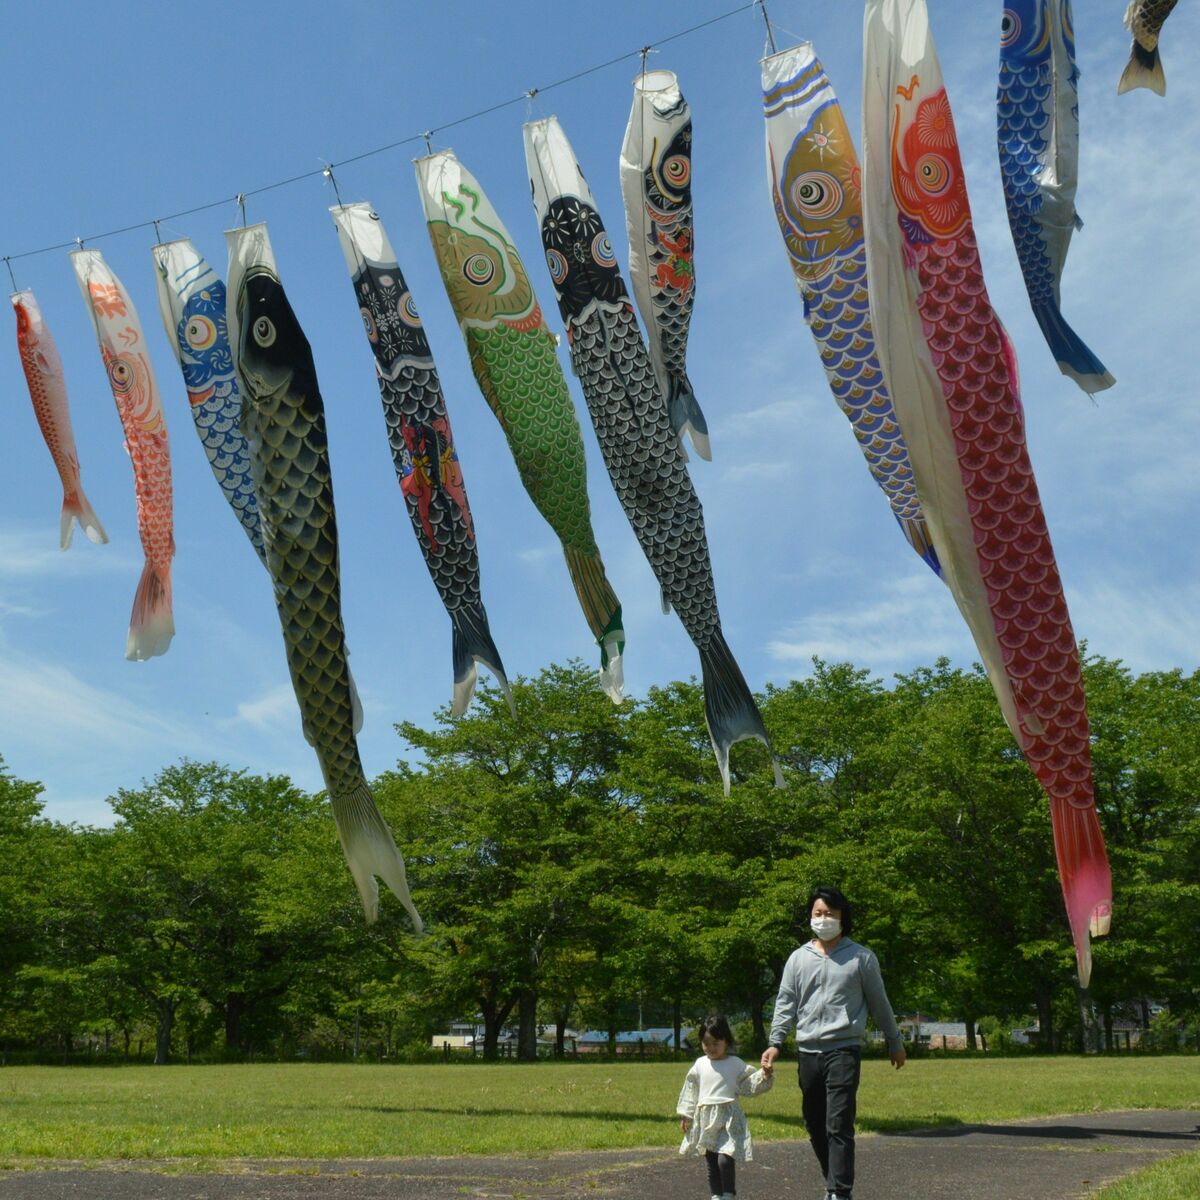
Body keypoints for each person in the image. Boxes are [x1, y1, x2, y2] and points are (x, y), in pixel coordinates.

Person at [761, 886, 906, 1200]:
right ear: (810, 917)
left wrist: (894, 1041)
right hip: (808, 1051)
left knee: (838, 1122)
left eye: (830, 913)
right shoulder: (798, 959)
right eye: (818, 913)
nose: (823, 919)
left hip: (844, 1050)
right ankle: (834, 1181)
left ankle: (839, 1191)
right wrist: (775, 1042)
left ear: (843, 917)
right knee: (815, 1123)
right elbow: (785, 1002)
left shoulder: (861, 958)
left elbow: (879, 1003)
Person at [677, 1014, 774, 1200]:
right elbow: (691, 1090)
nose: (711, 1048)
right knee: (711, 1159)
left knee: (725, 1158)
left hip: (729, 1118)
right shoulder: (699, 1064)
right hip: (706, 1118)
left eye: (716, 1043)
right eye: (706, 1043)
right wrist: (686, 1114)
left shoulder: (735, 1064)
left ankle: (728, 1194)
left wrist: (765, 1074)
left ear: (726, 1041)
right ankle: (716, 1195)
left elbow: (749, 1084)